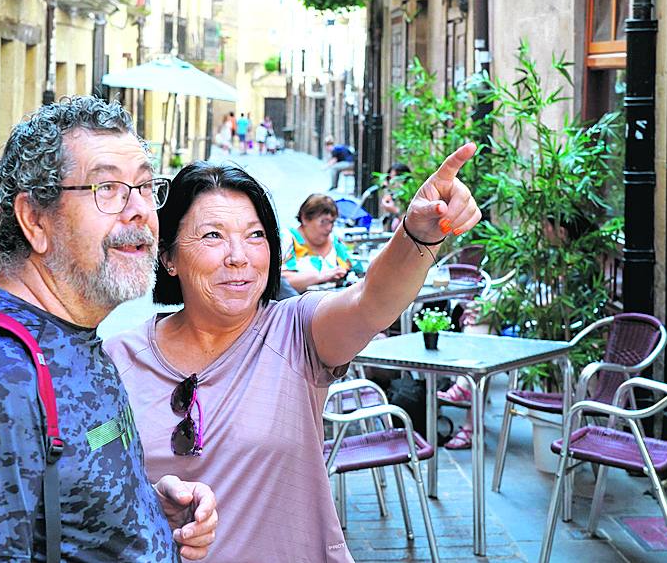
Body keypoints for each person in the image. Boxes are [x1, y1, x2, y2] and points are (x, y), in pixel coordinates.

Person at [105, 146, 481, 562]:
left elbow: (370, 301)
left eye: (255, 235)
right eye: (213, 236)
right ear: (169, 257)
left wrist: (417, 235)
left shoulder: (298, 331)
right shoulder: (116, 360)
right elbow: (88, 495)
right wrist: (153, 505)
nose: (239, 256)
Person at [0, 96, 218, 561]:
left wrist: (144, 514)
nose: (140, 210)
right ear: (35, 220)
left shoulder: (72, 327)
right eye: (108, 188)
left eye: (143, 185)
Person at [281, 193, 359, 292]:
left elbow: (353, 269)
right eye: (324, 222)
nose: (329, 228)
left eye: (332, 222)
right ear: (305, 218)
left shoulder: (335, 241)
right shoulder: (288, 239)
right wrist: (321, 276)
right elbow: (280, 282)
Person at [380, 163, 411, 232]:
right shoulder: (395, 199)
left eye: (393, 178)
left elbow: (411, 226)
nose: (390, 182)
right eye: (389, 178)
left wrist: (395, 210)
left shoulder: (410, 198)